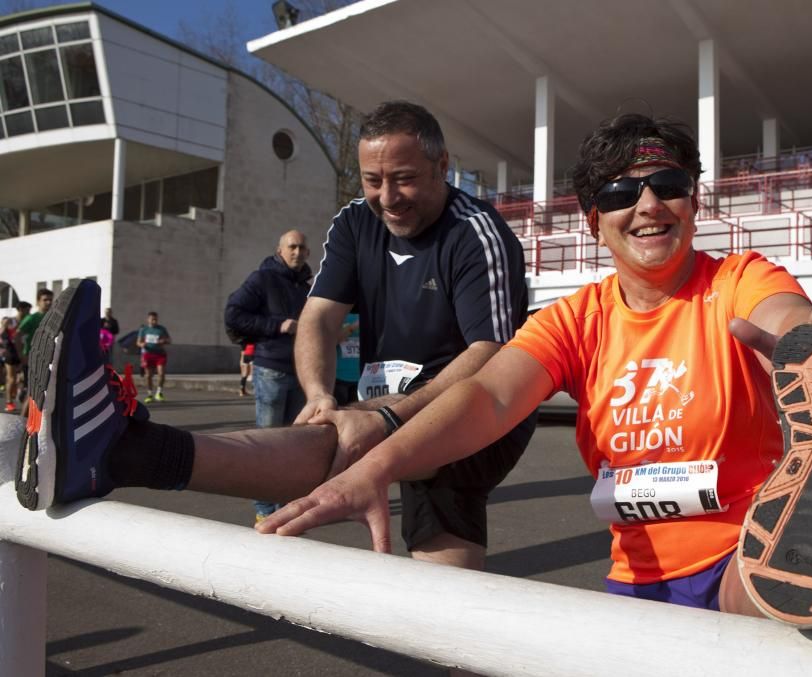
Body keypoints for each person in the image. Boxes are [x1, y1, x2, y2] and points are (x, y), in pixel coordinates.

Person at [256, 114, 812, 631]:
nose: (650, 203)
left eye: (671, 186)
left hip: (740, 549)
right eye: (624, 191)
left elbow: (782, 314)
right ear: (596, 221)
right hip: (638, 573)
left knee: (777, 602)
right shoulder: (578, 319)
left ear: (694, 202)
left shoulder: (739, 280)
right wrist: (378, 465)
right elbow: (486, 396)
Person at [18, 100, 534, 579]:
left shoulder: (478, 233)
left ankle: (123, 452)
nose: (388, 198)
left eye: (404, 179)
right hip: (389, 399)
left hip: (472, 399)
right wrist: (320, 396)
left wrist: (387, 417)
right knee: (438, 575)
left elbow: (488, 354)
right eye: (373, 180)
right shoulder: (357, 220)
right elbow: (317, 320)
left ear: (443, 165)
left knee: (346, 442)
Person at [224, 229, 312, 522]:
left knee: (293, 445)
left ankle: (285, 508)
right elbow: (233, 314)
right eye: (292, 247)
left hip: (301, 373)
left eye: (302, 247)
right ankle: (264, 509)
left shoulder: (306, 287)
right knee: (267, 444)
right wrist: (278, 326)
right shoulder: (261, 278)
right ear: (279, 250)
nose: (297, 252)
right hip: (271, 370)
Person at [17, 290, 52, 415]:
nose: (48, 302)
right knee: (32, 393)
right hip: (32, 359)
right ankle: (21, 426)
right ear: (38, 301)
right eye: (45, 300)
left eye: (50, 299)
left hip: (46, 360)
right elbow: (17, 335)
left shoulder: (52, 318)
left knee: (39, 393)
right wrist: (22, 355)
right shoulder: (32, 318)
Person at [137, 311, 171, 403]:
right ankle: (150, 394)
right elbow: (138, 342)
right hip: (148, 354)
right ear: (148, 319)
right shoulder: (144, 330)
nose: (154, 321)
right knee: (148, 375)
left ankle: (159, 392)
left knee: (161, 373)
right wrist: (142, 344)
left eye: (155, 319)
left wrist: (163, 341)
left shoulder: (161, 329)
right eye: (152, 319)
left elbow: (169, 340)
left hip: (160, 354)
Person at [334, 312, 360, 406]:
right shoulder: (335, 314)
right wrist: (352, 327)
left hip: (361, 379)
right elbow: (330, 341)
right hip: (338, 378)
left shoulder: (368, 314)